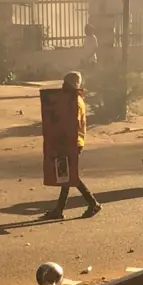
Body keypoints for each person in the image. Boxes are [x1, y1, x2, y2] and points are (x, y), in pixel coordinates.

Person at [45, 72, 102, 220]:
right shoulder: (73, 99)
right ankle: (59, 209)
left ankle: (92, 203)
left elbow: (72, 124)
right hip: (72, 140)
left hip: (74, 142)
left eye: (65, 84)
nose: (62, 86)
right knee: (66, 176)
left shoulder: (75, 101)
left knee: (70, 176)